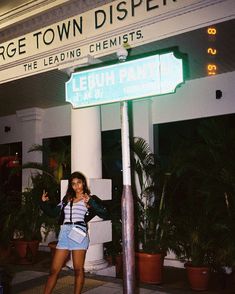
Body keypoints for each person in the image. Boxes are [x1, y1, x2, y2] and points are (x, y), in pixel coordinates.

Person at [40, 171, 109, 294]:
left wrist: (91, 202)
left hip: (79, 233)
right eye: (73, 184)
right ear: (71, 186)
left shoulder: (88, 199)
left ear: (83, 183)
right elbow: (53, 212)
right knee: (54, 270)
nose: (76, 186)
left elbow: (104, 213)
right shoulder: (67, 199)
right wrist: (44, 203)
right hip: (65, 233)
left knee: (78, 270)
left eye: (79, 183)